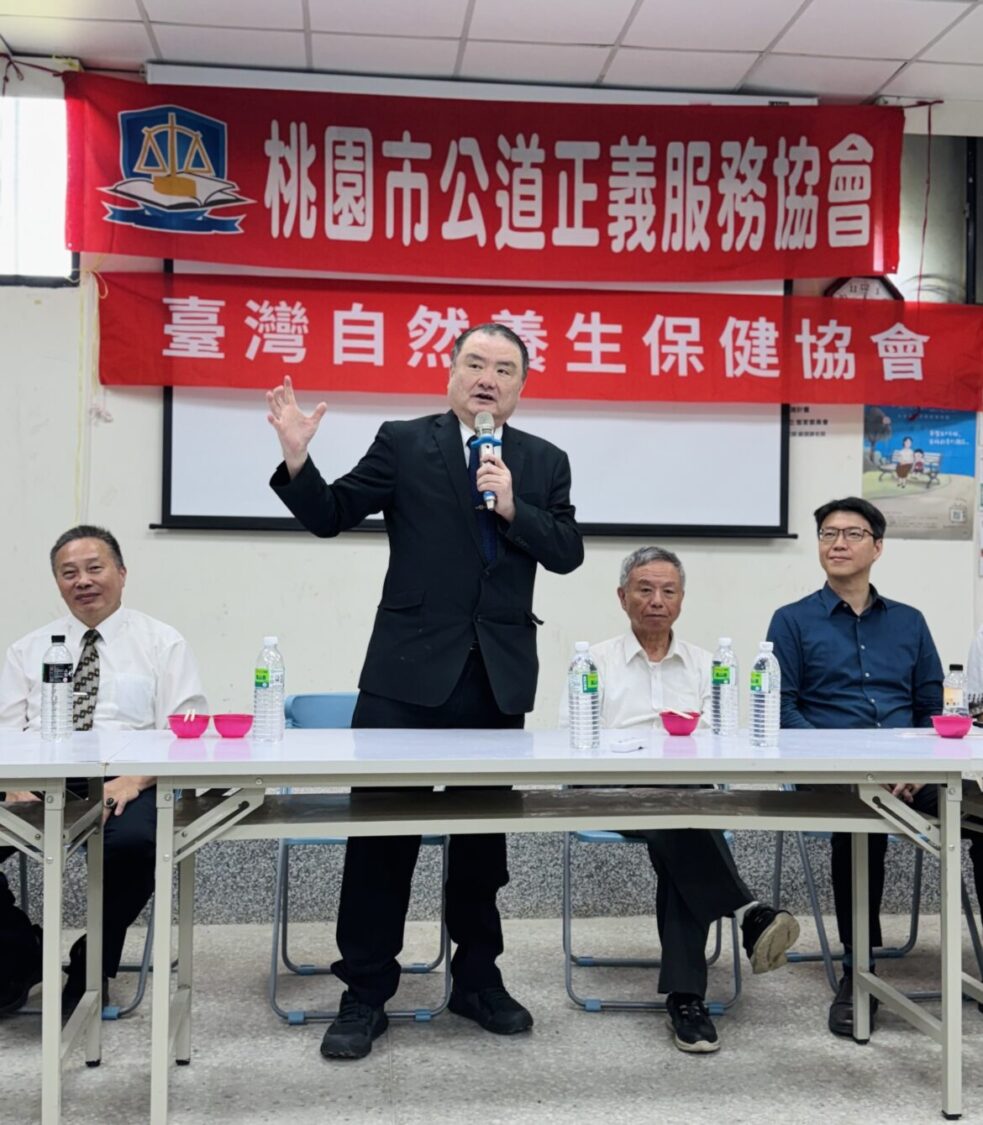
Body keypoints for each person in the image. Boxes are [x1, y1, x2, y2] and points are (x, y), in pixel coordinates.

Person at [267, 323, 584, 1060]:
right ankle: (364, 991)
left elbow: (567, 553)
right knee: (381, 842)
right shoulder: (406, 442)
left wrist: (514, 506)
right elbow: (331, 515)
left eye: (504, 368)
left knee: (482, 847)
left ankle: (477, 979)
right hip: (404, 676)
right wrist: (297, 457)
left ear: (520, 386)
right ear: (450, 372)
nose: (487, 378)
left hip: (496, 677)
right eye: (474, 363)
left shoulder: (543, 460)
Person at [565, 546, 799, 1054]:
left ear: (682, 600)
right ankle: (747, 913)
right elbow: (574, 742)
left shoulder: (706, 664)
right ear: (622, 596)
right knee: (685, 823)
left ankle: (687, 998)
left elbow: (720, 743)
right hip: (610, 791)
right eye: (645, 589)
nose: (657, 600)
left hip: (684, 793)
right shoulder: (594, 661)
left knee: (680, 831)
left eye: (668, 591)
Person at [765, 497, 970, 1038]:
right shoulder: (791, 621)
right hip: (831, 772)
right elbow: (783, 710)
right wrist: (850, 765)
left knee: (977, 812)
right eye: (828, 534)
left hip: (911, 770)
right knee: (861, 827)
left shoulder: (909, 621)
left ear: (877, 548)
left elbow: (932, 705)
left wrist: (921, 767)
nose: (838, 543)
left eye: (852, 534)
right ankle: (860, 971)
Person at [0, 525, 206, 1016]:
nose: (83, 581)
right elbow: (5, 730)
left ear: (122, 573)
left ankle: (91, 964)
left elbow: (186, 732)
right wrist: (15, 784)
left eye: (95, 568)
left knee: (137, 845)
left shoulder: (162, 643)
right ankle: (18, 954)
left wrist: (136, 779)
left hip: (127, 780)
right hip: (39, 780)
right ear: (58, 583)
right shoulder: (29, 649)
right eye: (69, 573)